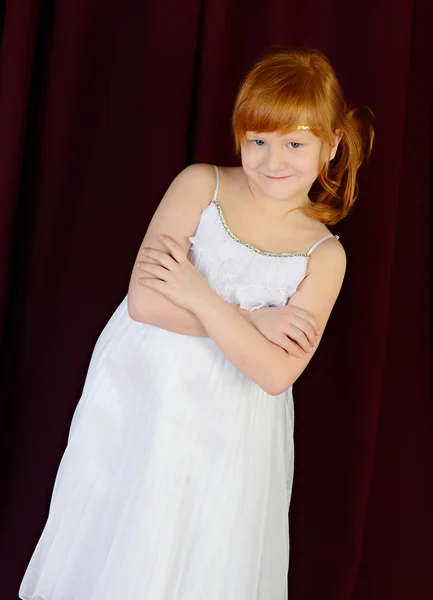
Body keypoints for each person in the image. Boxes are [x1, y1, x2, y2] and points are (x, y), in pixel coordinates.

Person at [19, 47, 374, 600]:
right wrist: (255, 319)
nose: (272, 160)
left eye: (294, 144)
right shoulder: (200, 185)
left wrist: (200, 296)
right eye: (257, 140)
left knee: (200, 552)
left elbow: (275, 374)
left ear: (331, 146)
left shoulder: (324, 256)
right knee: (126, 534)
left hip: (232, 426)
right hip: (146, 398)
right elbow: (145, 303)